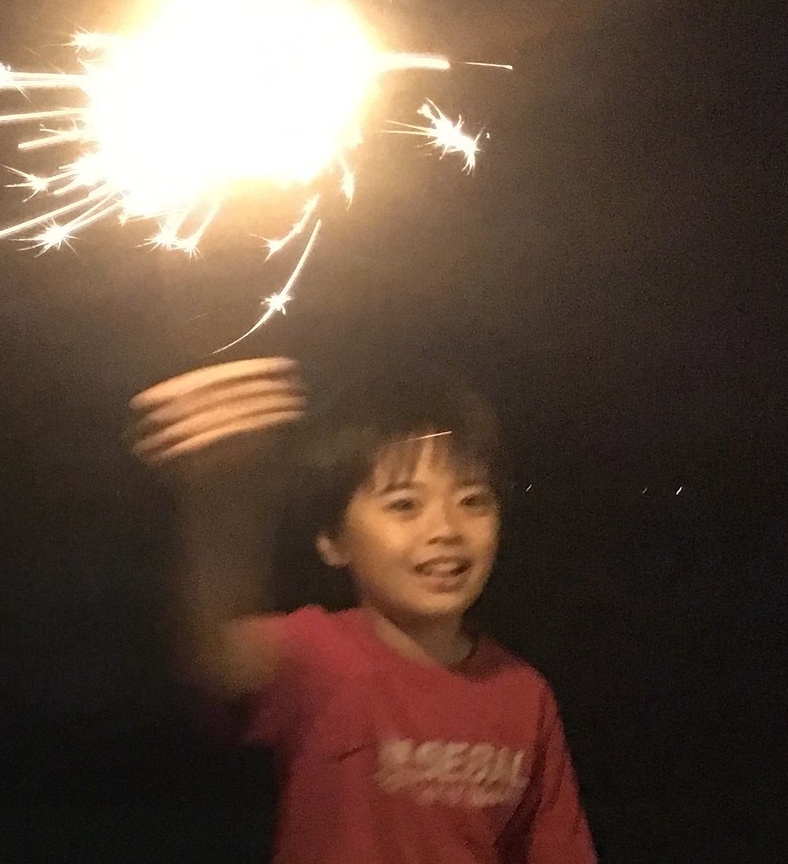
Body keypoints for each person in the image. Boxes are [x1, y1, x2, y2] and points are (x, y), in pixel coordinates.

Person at [130, 357, 596, 863]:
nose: (446, 529)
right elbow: (214, 651)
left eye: (473, 501)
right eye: (404, 505)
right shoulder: (314, 656)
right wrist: (222, 494)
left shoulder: (524, 696)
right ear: (333, 540)